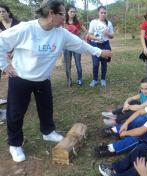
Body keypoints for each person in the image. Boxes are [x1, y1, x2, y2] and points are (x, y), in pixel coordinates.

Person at [0, 0, 112, 163]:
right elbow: (1, 41)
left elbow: (80, 45)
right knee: (15, 113)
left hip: (43, 79)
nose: (65, 18)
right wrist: (4, 65)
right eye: (62, 14)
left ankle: (48, 132)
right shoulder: (26, 28)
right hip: (20, 79)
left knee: (46, 108)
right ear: (51, 14)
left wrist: (99, 52)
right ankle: (15, 144)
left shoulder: (61, 33)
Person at [88, 5, 114, 87]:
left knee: (104, 63)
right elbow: (89, 35)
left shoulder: (109, 23)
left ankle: (103, 79)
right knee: (95, 64)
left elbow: (112, 36)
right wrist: (96, 38)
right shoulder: (93, 22)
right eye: (101, 13)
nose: (103, 14)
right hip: (95, 45)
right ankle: (95, 80)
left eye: (105, 13)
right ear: (98, 13)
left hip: (105, 44)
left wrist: (108, 33)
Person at [64, 5, 88, 87]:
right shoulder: (63, 23)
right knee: (68, 65)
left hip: (76, 46)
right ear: (67, 12)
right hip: (66, 46)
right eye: (71, 11)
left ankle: (79, 79)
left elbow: (85, 31)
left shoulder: (77, 22)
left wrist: (81, 38)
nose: (73, 13)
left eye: (74, 12)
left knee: (78, 63)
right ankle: (69, 81)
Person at [0, 4, 19, 80]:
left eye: (3, 11)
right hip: (3, 52)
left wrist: (14, 51)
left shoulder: (17, 23)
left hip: (17, 51)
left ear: (8, 12)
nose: (1, 13)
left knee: (17, 73)